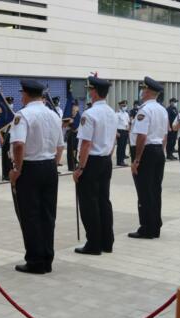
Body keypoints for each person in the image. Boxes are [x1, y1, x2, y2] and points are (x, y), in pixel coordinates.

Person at [10, 79, 64, 274]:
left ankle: (35, 260)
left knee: (30, 215)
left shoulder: (23, 115)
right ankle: (47, 258)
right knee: (47, 215)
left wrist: (17, 169)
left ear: (25, 94)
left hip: (30, 168)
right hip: (49, 167)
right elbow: (60, 146)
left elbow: (18, 144)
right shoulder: (53, 115)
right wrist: (53, 163)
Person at [73, 76, 117, 255]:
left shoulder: (89, 114)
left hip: (91, 162)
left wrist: (80, 168)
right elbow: (114, 139)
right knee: (103, 201)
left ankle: (94, 244)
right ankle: (107, 242)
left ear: (94, 92)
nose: (88, 92)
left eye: (89, 90)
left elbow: (85, 144)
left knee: (89, 203)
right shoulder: (112, 112)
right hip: (106, 160)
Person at [128, 77, 168, 239]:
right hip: (158, 150)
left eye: (143, 89)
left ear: (148, 91)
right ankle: (155, 224)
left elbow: (142, 136)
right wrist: (162, 152)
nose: (141, 92)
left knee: (145, 191)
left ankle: (147, 228)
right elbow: (165, 135)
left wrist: (137, 159)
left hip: (146, 152)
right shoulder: (162, 109)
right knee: (155, 190)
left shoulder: (144, 110)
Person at [0, 96, 15, 181]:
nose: (11, 104)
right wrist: (1, 137)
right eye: (9, 103)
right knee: (5, 155)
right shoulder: (3, 114)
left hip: (12, 136)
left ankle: (10, 172)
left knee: (11, 155)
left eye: (11, 103)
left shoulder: (14, 114)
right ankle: (5, 174)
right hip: (5, 135)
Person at [115, 100, 130, 166]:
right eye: (123, 105)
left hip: (125, 131)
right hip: (120, 131)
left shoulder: (126, 114)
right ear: (120, 106)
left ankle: (122, 160)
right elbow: (114, 124)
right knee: (120, 147)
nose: (125, 107)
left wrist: (128, 129)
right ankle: (119, 161)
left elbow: (128, 122)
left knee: (124, 146)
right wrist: (116, 132)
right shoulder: (117, 114)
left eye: (125, 105)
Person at [66, 104, 79, 171]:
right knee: (70, 151)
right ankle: (71, 166)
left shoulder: (77, 117)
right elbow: (66, 126)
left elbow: (78, 125)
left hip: (76, 134)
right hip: (70, 134)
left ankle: (74, 164)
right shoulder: (68, 117)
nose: (75, 112)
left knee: (75, 150)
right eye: (74, 110)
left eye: (76, 111)